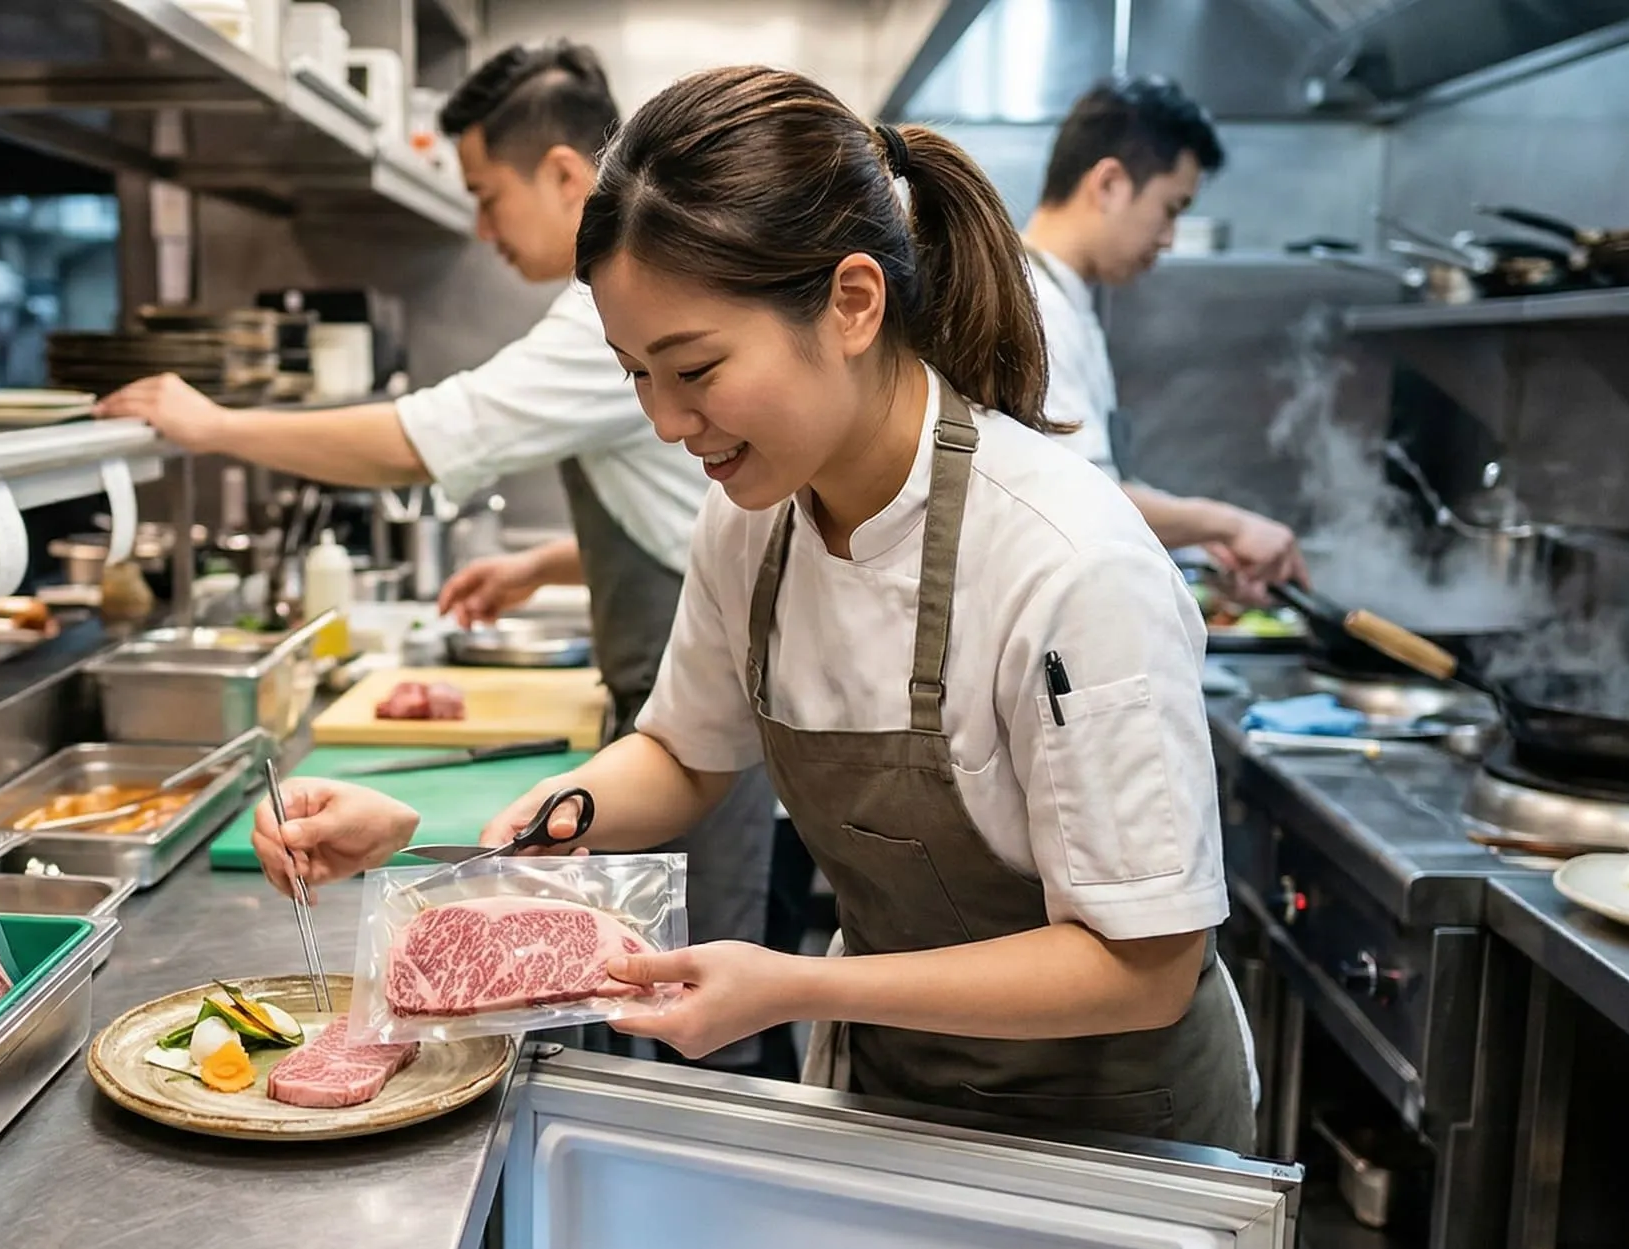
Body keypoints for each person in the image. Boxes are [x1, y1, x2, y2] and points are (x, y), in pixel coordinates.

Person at [255, 66, 1255, 1152]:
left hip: (1117, 1150)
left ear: (853, 303)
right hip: (898, 1098)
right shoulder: (753, 520)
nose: (667, 421)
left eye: (695, 367)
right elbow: (684, 755)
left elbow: (1140, 967)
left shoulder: (1067, 565)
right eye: (636, 373)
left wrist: (785, 985)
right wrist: (484, 832)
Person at [97, 40, 773, 976]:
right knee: (673, 978)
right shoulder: (633, 343)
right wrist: (542, 568)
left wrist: (212, 425)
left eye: (488, 193)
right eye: (645, 382)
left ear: (565, 172)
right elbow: (707, 529)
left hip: (706, 722)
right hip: (671, 723)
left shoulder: (607, 319)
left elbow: (425, 438)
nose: (666, 419)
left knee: (710, 996)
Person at [1018, 77, 1303, 606]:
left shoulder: (1063, 301)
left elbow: (1094, 479)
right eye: (1171, 208)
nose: (1169, 237)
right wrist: (1225, 524)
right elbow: (1082, 498)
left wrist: (1201, 541)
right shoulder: (1034, 307)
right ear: (1109, 185)